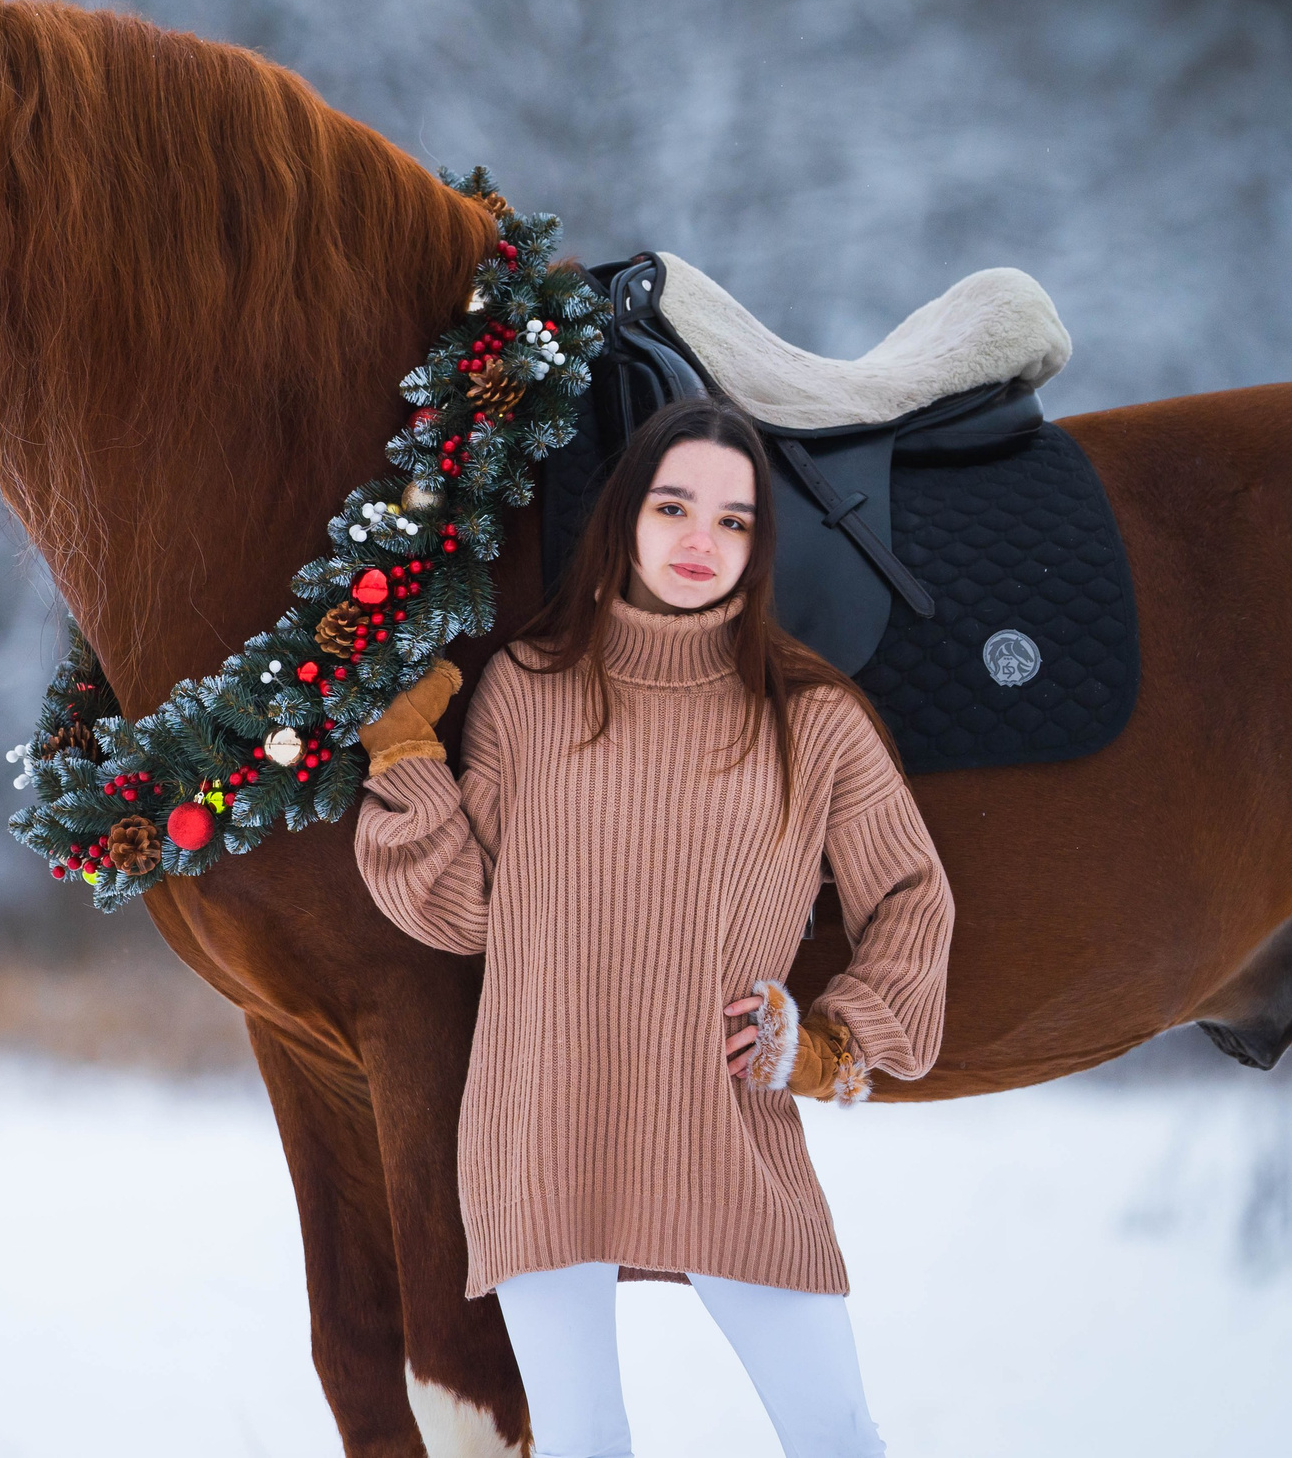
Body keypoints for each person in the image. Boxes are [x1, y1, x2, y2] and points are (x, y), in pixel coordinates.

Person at [352, 396, 954, 1458]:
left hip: (725, 1133)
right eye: (674, 506)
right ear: (623, 518)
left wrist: (828, 1048)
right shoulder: (528, 693)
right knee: (584, 1442)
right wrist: (407, 765)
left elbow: (911, 898)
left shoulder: (811, 720)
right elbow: (469, 912)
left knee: (837, 1437)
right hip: (540, 1131)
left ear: (761, 547)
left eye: (732, 522)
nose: (698, 540)